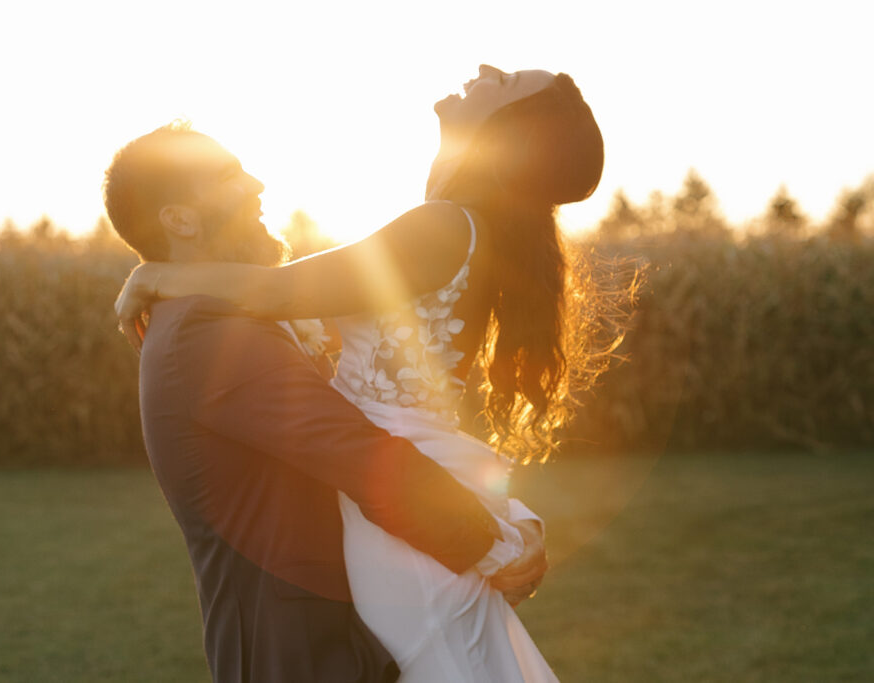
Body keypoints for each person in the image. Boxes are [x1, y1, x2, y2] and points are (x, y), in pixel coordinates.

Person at [115, 65, 610, 681]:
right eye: (228, 176)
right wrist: (495, 543)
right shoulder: (202, 332)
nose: (258, 182)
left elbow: (283, 299)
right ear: (179, 219)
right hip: (298, 626)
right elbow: (351, 446)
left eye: (504, 81)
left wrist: (157, 276)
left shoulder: (443, 224)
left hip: (388, 507)